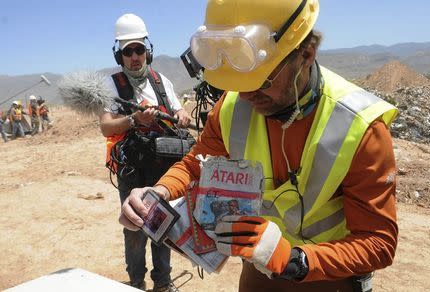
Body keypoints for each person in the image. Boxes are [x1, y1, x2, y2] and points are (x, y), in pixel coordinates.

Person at [119, 1, 398, 291]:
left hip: (328, 279)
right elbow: (195, 164)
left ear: (306, 53)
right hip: (258, 275)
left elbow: (377, 243)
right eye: (238, 81)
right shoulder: (230, 108)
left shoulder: (360, 128)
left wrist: (294, 259)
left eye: (262, 80)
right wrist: (157, 192)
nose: (248, 95)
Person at [100, 13, 190, 292]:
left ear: (147, 51)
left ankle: (162, 282)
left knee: (162, 225)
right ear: (120, 55)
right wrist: (133, 121)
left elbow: (178, 110)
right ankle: (136, 283)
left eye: (139, 49)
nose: (135, 56)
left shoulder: (161, 80)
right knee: (136, 227)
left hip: (163, 164)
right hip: (131, 168)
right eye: (128, 51)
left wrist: (183, 114)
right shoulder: (112, 85)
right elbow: (105, 126)